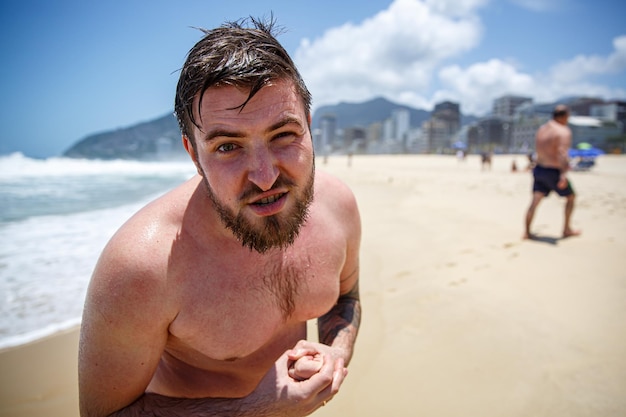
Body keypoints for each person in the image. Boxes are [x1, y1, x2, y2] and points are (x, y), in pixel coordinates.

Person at [78, 17, 362, 417]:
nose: (265, 178)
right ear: (194, 155)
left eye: (283, 135)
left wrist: (335, 351)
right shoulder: (144, 267)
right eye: (228, 147)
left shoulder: (338, 208)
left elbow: (346, 295)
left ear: (309, 129)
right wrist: (257, 409)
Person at [524, 104, 580, 239]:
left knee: (535, 200)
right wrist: (563, 174)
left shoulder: (542, 129)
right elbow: (562, 153)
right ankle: (566, 229)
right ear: (564, 116)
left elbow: (537, 150)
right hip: (553, 170)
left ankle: (526, 232)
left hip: (539, 169)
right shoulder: (562, 131)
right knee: (571, 197)